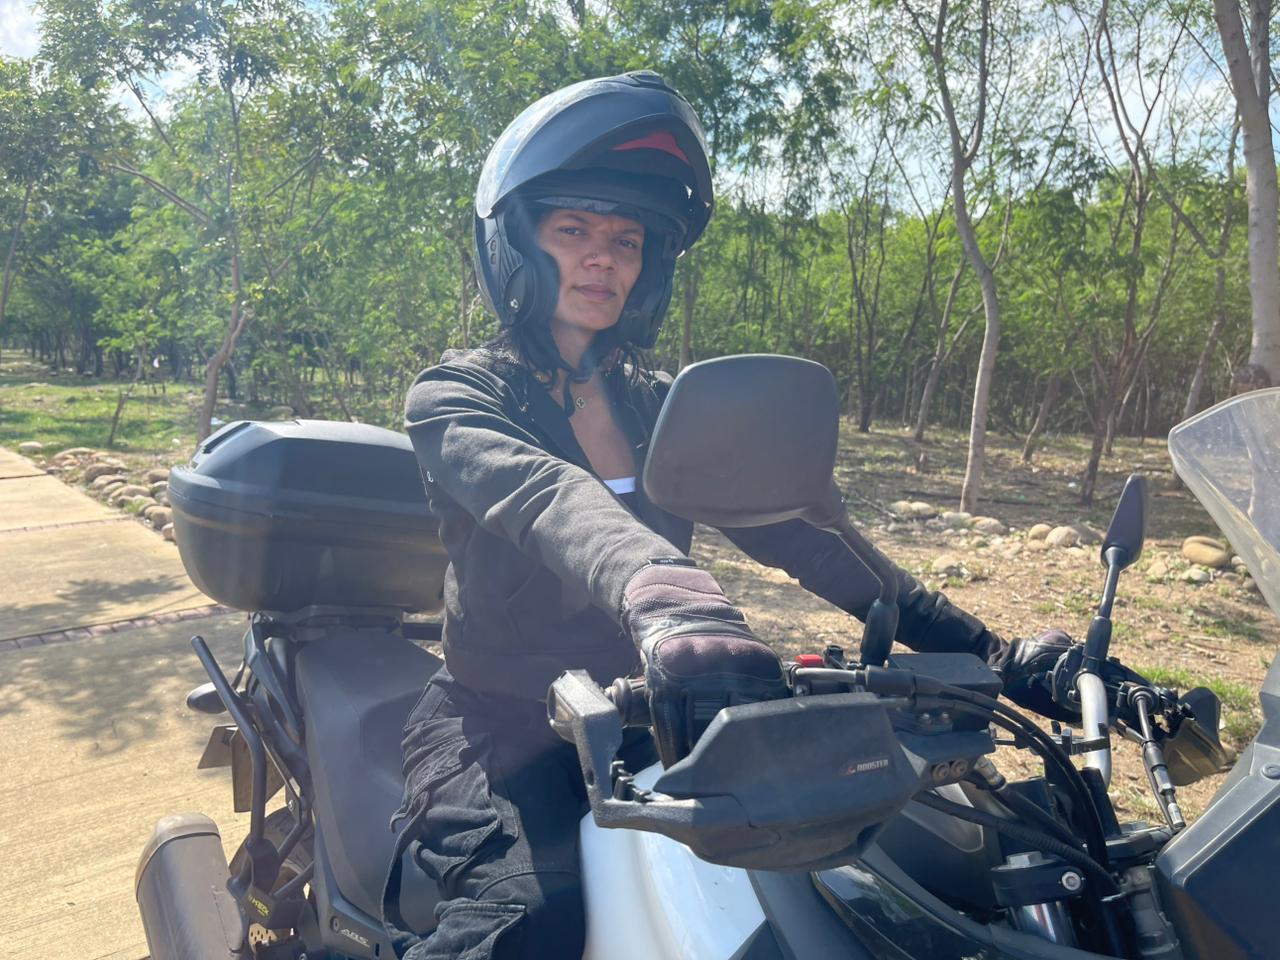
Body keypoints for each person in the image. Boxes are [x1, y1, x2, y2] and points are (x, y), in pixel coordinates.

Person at [390, 70, 1073, 959]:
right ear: (515, 243)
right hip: (500, 727)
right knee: (528, 923)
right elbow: (546, 497)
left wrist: (993, 652)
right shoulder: (456, 395)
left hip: (658, 715)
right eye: (573, 230)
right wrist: (666, 591)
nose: (604, 258)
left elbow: (803, 536)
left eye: (626, 239)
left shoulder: (660, 404)